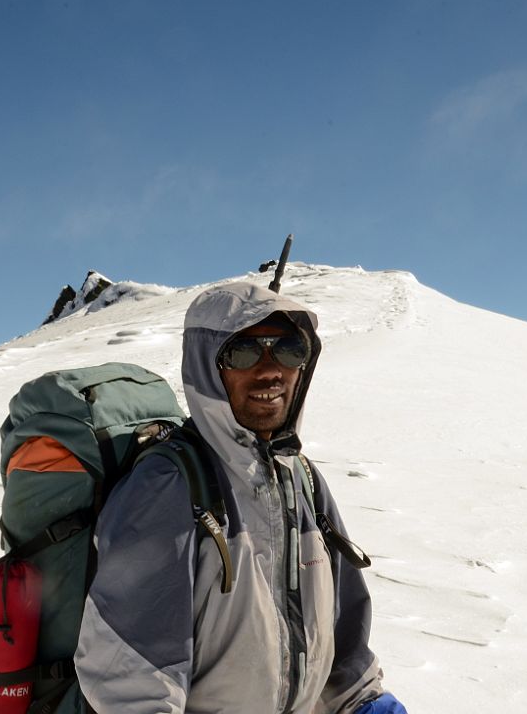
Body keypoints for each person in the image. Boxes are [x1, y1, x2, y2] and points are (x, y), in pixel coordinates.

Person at [75, 282, 407, 713]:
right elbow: (132, 677)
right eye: (244, 352)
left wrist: (366, 703)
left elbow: (344, 645)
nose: (271, 370)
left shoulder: (302, 478)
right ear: (207, 368)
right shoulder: (167, 485)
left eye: (289, 349)